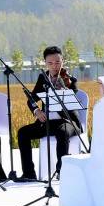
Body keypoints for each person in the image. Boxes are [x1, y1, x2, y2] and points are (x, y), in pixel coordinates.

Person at [15, 46, 83, 182]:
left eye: (58, 62)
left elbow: (71, 104)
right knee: (23, 133)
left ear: (63, 61)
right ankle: (29, 173)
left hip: (68, 121)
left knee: (62, 132)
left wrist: (63, 88)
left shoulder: (70, 80)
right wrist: (37, 111)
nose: (54, 67)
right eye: (50, 63)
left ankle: (61, 171)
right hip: (47, 121)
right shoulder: (43, 78)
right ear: (45, 63)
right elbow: (32, 100)